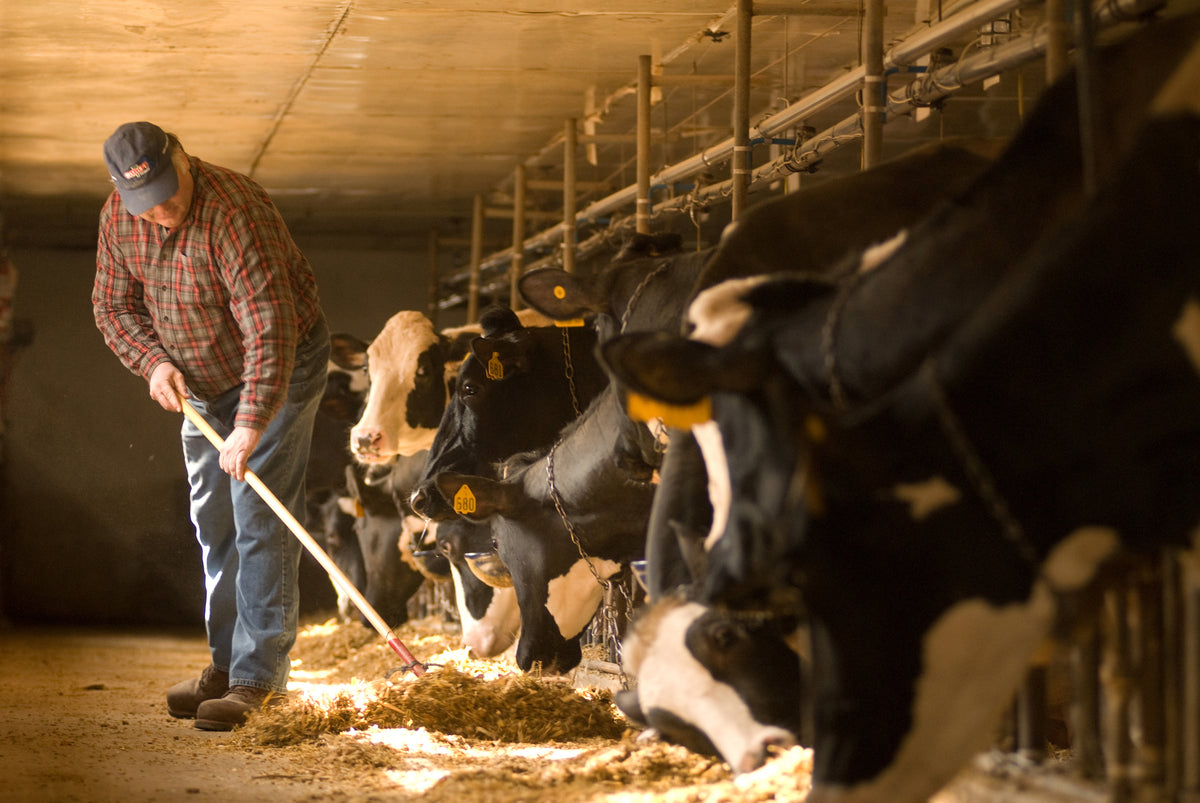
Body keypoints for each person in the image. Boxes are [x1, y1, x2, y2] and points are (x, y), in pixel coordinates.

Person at [92, 121, 329, 731]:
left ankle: (258, 681)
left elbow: (270, 326)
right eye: (144, 204)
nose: (160, 212)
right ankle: (224, 666)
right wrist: (153, 363)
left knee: (258, 513)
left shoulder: (236, 211)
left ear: (184, 160)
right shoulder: (120, 219)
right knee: (212, 519)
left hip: (276, 366)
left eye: (169, 193)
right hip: (196, 384)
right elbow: (112, 306)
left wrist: (252, 422)